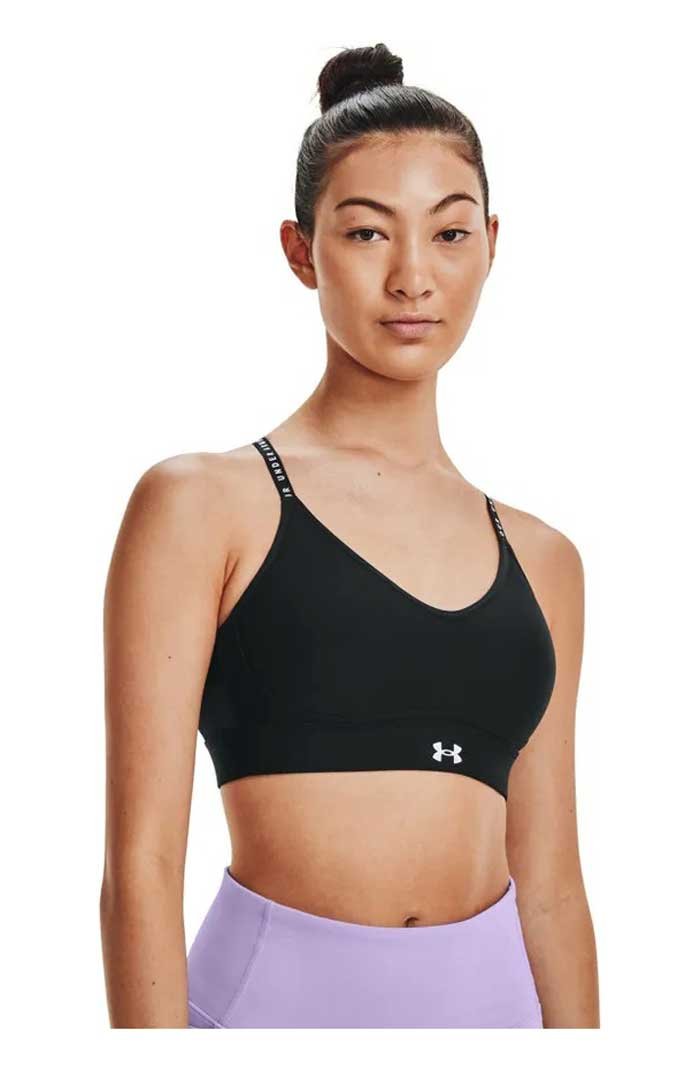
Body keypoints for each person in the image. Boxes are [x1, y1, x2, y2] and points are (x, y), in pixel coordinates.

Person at [100, 42, 598, 1029]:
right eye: (368, 233)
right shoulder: (204, 506)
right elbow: (141, 866)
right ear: (301, 251)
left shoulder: (544, 560)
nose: (413, 277)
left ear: (491, 243)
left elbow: (550, 887)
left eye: (449, 233)